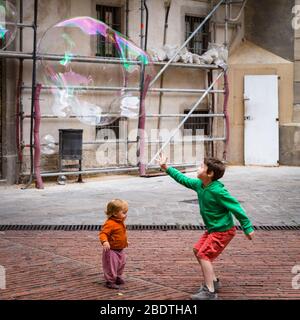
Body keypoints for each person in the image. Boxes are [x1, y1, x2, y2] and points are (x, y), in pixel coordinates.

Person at [157, 154, 254, 300]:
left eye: (202, 166)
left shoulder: (218, 191)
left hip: (223, 231)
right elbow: (183, 179)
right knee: (198, 250)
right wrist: (166, 168)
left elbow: (236, 207)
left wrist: (247, 227)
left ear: (210, 174)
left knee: (204, 255)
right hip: (213, 230)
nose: (198, 168)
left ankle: (210, 292)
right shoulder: (200, 185)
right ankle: (213, 282)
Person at [99, 199, 129, 289]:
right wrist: (105, 241)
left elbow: (121, 234)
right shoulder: (110, 223)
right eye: (123, 212)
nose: (125, 215)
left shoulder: (120, 221)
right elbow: (103, 233)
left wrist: (125, 241)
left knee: (121, 264)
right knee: (111, 265)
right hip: (111, 250)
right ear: (115, 213)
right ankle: (110, 281)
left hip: (120, 249)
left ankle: (118, 277)